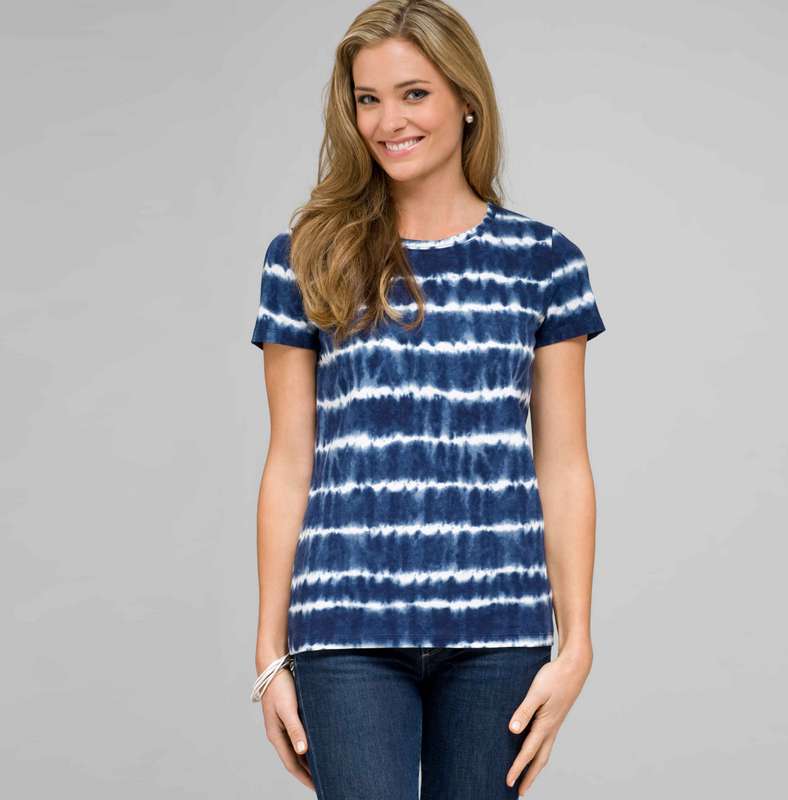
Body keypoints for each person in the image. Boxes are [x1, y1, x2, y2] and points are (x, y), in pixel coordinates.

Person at [249, 1, 606, 797]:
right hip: (344, 627)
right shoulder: (305, 257)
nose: (389, 122)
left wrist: (576, 644)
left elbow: (563, 465)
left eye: (414, 94)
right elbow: (289, 463)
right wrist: (270, 653)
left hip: (500, 630)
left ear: (465, 99)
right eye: (368, 99)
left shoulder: (543, 262)